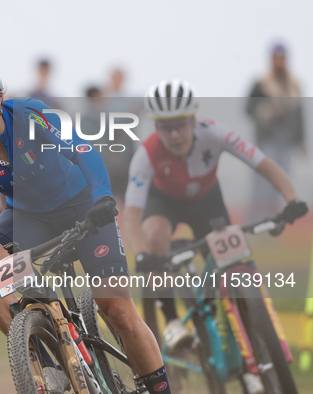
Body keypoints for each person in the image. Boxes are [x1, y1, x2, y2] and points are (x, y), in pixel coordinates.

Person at [0, 57, 173, 394]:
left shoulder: (30, 114)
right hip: (28, 217)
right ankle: (45, 363)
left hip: (82, 206)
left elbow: (84, 151)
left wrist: (103, 199)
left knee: (117, 309)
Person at [123, 79, 307, 392]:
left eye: (181, 124)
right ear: (156, 127)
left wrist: (291, 199)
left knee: (232, 259)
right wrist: (141, 252)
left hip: (206, 202)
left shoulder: (216, 133)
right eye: (166, 128)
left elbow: (263, 164)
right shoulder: (147, 154)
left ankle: (246, 341)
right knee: (155, 236)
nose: (175, 134)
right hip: (164, 203)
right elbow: (132, 213)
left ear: (194, 119)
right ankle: (170, 322)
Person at [246, 42, 305, 220]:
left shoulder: (293, 86)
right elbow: (249, 109)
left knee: (281, 183)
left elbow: (299, 116)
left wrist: (301, 141)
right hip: (266, 141)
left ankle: (275, 221)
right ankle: (256, 221)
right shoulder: (261, 84)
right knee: (262, 183)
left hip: (285, 142)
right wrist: (268, 110)